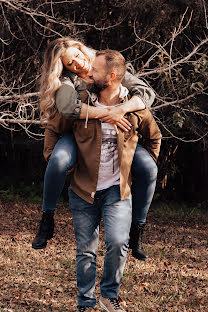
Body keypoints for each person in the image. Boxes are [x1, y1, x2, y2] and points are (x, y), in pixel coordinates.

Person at [44, 49, 161, 312]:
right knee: (86, 250)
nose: (86, 73)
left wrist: (141, 167)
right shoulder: (80, 100)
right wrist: (55, 158)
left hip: (117, 190)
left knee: (119, 243)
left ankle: (109, 296)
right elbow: (53, 127)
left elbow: (155, 136)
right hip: (83, 188)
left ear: (110, 76)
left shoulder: (134, 107)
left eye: (94, 71)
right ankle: (85, 303)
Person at [32, 37, 158, 261]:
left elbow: (146, 93)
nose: (79, 63)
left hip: (117, 138)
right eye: (71, 63)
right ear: (64, 68)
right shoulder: (67, 80)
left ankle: (137, 229)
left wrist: (121, 109)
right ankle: (47, 218)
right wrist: (107, 114)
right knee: (59, 161)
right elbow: (69, 109)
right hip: (78, 135)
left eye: (78, 55)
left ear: (81, 49)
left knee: (149, 168)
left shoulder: (103, 65)